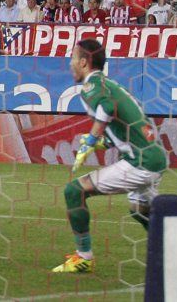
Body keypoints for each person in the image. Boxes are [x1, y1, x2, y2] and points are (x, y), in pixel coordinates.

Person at [52, 39, 167, 273]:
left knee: (75, 190)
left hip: (141, 163)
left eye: (73, 58)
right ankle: (170, 249)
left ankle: (83, 257)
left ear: (84, 62)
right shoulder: (108, 84)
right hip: (152, 157)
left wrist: (92, 139)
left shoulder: (93, 87)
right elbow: (124, 126)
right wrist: (100, 143)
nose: (70, 64)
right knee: (139, 209)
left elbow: (107, 107)